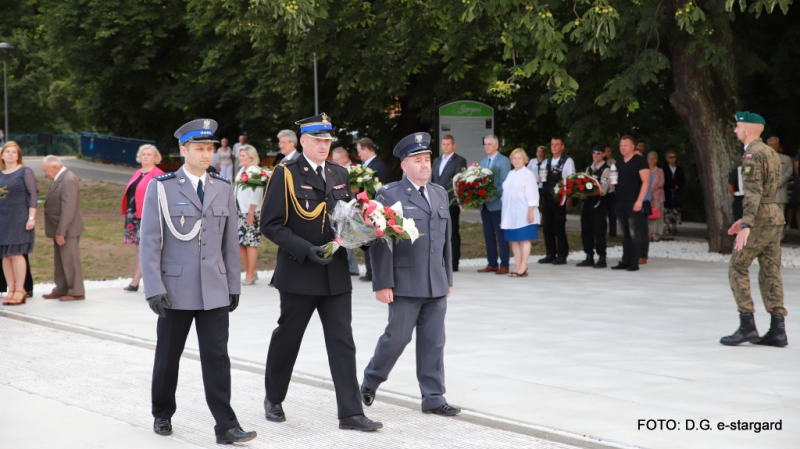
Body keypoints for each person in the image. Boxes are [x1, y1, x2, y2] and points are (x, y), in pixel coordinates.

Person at [260, 113, 382, 432]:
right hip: (300, 272)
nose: (324, 145)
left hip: (336, 273)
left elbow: (346, 218)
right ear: (303, 141)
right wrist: (304, 249)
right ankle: (273, 397)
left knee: (343, 341)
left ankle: (351, 413)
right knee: (288, 338)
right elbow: (270, 225)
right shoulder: (285, 173)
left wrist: (368, 233)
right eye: (318, 140)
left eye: (328, 140)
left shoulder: (340, 172)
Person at [140, 119, 256, 444]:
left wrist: (234, 285)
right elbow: (150, 241)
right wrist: (154, 288)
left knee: (217, 358)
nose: (207, 155)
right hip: (175, 290)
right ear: (183, 149)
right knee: (168, 355)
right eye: (200, 148)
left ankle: (226, 426)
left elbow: (229, 244)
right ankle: (162, 412)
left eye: (210, 148)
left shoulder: (223, 186)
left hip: (214, 290)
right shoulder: (162, 188)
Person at [360, 132, 460, 417]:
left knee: (434, 341)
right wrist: (382, 283)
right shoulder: (389, 195)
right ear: (404, 165)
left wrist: (448, 277)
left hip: (435, 282)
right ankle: (371, 380)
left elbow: (446, 239)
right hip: (404, 282)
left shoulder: (440, 193)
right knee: (397, 337)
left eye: (427, 159)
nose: (425, 165)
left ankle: (433, 397)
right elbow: (381, 242)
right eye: (418, 160)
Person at [722, 111, 787, 348]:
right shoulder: (771, 152)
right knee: (771, 271)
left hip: (758, 220)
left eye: (737, 126)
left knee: (737, 266)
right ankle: (778, 329)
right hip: (774, 217)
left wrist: (747, 223)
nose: (735, 130)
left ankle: (747, 325)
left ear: (748, 130)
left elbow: (752, 191)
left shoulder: (752, 154)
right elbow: (767, 190)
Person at [41, 156, 86, 301]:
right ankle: (61, 288)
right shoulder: (61, 178)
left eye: (46, 170)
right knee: (61, 261)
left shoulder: (69, 180)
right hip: (57, 227)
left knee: (70, 259)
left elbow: (68, 208)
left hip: (67, 229)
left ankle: (76, 291)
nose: (45, 173)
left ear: (55, 167)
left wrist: (62, 231)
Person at [121, 144, 165, 292]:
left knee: (146, 249)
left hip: (148, 215)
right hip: (134, 215)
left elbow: (162, 197)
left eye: (149, 154)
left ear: (155, 157)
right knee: (139, 248)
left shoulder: (158, 174)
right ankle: (137, 281)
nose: (146, 156)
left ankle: (143, 281)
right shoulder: (138, 173)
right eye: (143, 154)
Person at [0, 141, 37, 306]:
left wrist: (31, 217)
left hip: (19, 218)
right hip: (3, 219)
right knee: (5, 256)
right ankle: (11, 289)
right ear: (2, 155)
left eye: (14, 152)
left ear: (18, 155)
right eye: (7, 152)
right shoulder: (0, 174)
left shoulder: (24, 172)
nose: (10, 154)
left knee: (16, 253)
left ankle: (20, 289)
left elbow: (32, 195)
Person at [611, 136, 649, 272]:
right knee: (625, 232)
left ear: (633, 146)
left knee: (635, 233)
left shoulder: (640, 161)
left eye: (625, 145)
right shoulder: (619, 162)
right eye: (621, 145)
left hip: (634, 202)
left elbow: (646, 182)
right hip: (620, 201)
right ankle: (625, 259)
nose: (622, 148)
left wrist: (639, 201)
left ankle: (634, 261)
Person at [431, 134, 467, 271]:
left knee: (452, 233)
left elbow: (456, 180)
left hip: (450, 202)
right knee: (439, 233)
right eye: (443, 144)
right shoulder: (437, 161)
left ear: (454, 145)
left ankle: (453, 263)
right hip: (436, 202)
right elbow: (434, 179)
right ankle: (441, 261)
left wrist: (439, 191)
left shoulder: (459, 160)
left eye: (448, 144)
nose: (445, 146)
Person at [500, 148, 539, 277]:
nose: (516, 160)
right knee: (514, 240)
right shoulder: (511, 174)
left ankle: (523, 266)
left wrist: (531, 212)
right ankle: (518, 265)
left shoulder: (528, 174)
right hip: (511, 213)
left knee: (524, 239)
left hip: (524, 211)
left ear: (525, 159)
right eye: (514, 158)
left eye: (519, 158)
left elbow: (532, 194)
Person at [537, 137, 575, 265]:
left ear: (562, 146)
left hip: (560, 199)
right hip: (547, 198)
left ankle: (562, 255)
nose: (554, 147)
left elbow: (570, 181)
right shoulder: (546, 161)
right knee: (547, 227)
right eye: (552, 144)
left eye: (557, 144)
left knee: (558, 227)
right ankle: (550, 253)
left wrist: (569, 199)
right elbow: (541, 181)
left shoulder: (567, 161)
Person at [477, 134, 511, 274]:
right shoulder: (483, 162)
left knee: (500, 235)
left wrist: (490, 197)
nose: (486, 146)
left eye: (489, 144)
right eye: (485, 144)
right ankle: (492, 263)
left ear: (496, 145)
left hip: (497, 204)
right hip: (484, 205)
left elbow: (504, 183)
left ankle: (504, 264)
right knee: (488, 234)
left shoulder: (503, 161)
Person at [357, 137, 389, 282]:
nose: (359, 155)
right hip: (365, 206)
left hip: (374, 208)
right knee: (367, 238)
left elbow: (381, 188)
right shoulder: (363, 166)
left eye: (359, 152)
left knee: (374, 240)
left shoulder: (378, 166)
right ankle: (370, 270)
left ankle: (374, 271)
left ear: (366, 149)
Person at [577, 145, 611, 268]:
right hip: (587, 203)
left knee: (599, 230)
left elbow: (603, 189)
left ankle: (602, 257)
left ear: (603, 155)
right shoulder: (589, 169)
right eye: (594, 153)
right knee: (586, 230)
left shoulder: (606, 170)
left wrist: (587, 193)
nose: (595, 155)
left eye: (598, 153)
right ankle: (589, 256)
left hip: (598, 204)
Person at [235, 144, 265, 285]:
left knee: (251, 243)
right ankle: (250, 271)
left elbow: (257, 193)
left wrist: (251, 212)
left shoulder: (255, 172)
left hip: (251, 212)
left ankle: (250, 275)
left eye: (242, 156)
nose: (240, 158)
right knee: (241, 243)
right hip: (240, 212)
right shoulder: (242, 170)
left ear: (251, 157)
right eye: (240, 155)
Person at [331, 147, 360, 276]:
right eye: (333, 159)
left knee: (346, 236)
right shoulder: (337, 170)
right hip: (341, 208)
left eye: (337, 159)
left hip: (350, 207)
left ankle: (352, 267)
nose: (335, 162)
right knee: (343, 236)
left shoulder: (354, 170)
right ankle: (350, 267)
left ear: (345, 158)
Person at [767, 136, 793, 239]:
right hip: (767, 192)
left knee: (780, 215)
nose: (773, 147)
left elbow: (789, 172)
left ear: (778, 145)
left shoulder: (785, 158)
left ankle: (779, 237)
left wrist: (779, 182)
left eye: (775, 144)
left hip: (780, 191)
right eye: (771, 145)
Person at [663, 150, 685, 235]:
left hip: (677, 192)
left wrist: (678, 186)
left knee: (676, 209)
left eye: (674, 157)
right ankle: (667, 227)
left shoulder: (679, 169)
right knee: (667, 209)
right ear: (667, 159)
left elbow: (682, 180)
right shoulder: (664, 169)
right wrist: (669, 187)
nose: (672, 159)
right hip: (667, 192)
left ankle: (674, 227)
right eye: (670, 157)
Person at [647, 152, 666, 242]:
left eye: (653, 158)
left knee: (658, 214)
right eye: (650, 159)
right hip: (647, 196)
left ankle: (656, 233)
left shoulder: (660, 171)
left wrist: (653, 189)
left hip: (658, 195)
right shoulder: (645, 170)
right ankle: (649, 233)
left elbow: (661, 182)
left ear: (657, 160)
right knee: (648, 214)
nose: (652, 160)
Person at [604, 145, 618, 238]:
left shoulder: (614, 163)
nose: (608, 153)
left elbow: (615, 178)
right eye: (607, 151)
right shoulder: (599, 162)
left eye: (610, 151)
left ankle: (612, 233)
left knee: (612, 213)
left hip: (611, 191)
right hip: (602, 191)